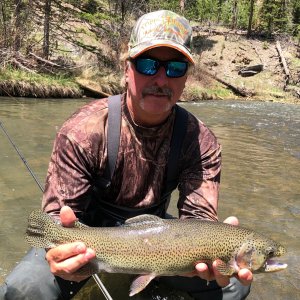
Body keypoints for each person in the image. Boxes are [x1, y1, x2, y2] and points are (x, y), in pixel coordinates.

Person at [0, 10, 252, 300]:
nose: (161, 78)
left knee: (235, 282)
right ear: (127, 69)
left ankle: (154, 278)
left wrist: (218, 248)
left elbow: (198, 220)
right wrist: (59, 252)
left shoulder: (200, 141)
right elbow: (58, 217)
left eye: (175, 68)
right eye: (147, 64)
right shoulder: (83, 130)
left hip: (158, 240)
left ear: (185, 78)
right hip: (89, 237)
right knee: (23, 292)